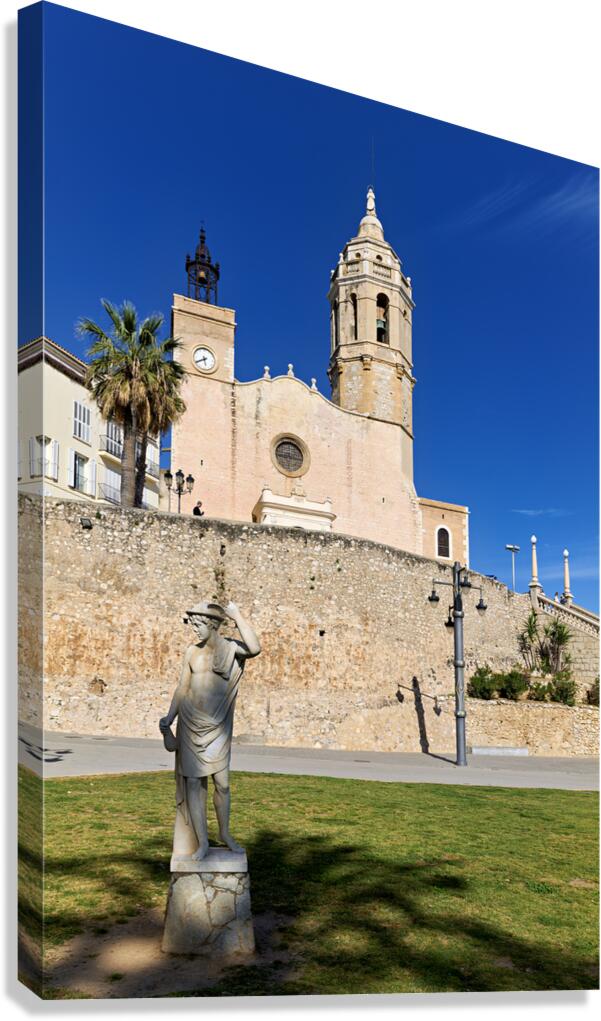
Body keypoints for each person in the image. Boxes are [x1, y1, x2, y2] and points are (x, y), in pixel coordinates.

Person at [159, 600, 260, 860]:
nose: (194, 629)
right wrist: (169, 718)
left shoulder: (230, 648)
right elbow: (183, 688)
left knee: (222, 783)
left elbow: (254, 648)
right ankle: (202, 842)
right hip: (190, 722)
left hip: (216, 725)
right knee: (193, 783)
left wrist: (237, 615)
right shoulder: (191, 652)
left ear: (212, 624)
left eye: (198, 624)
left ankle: (224, 833)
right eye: (193, 624)